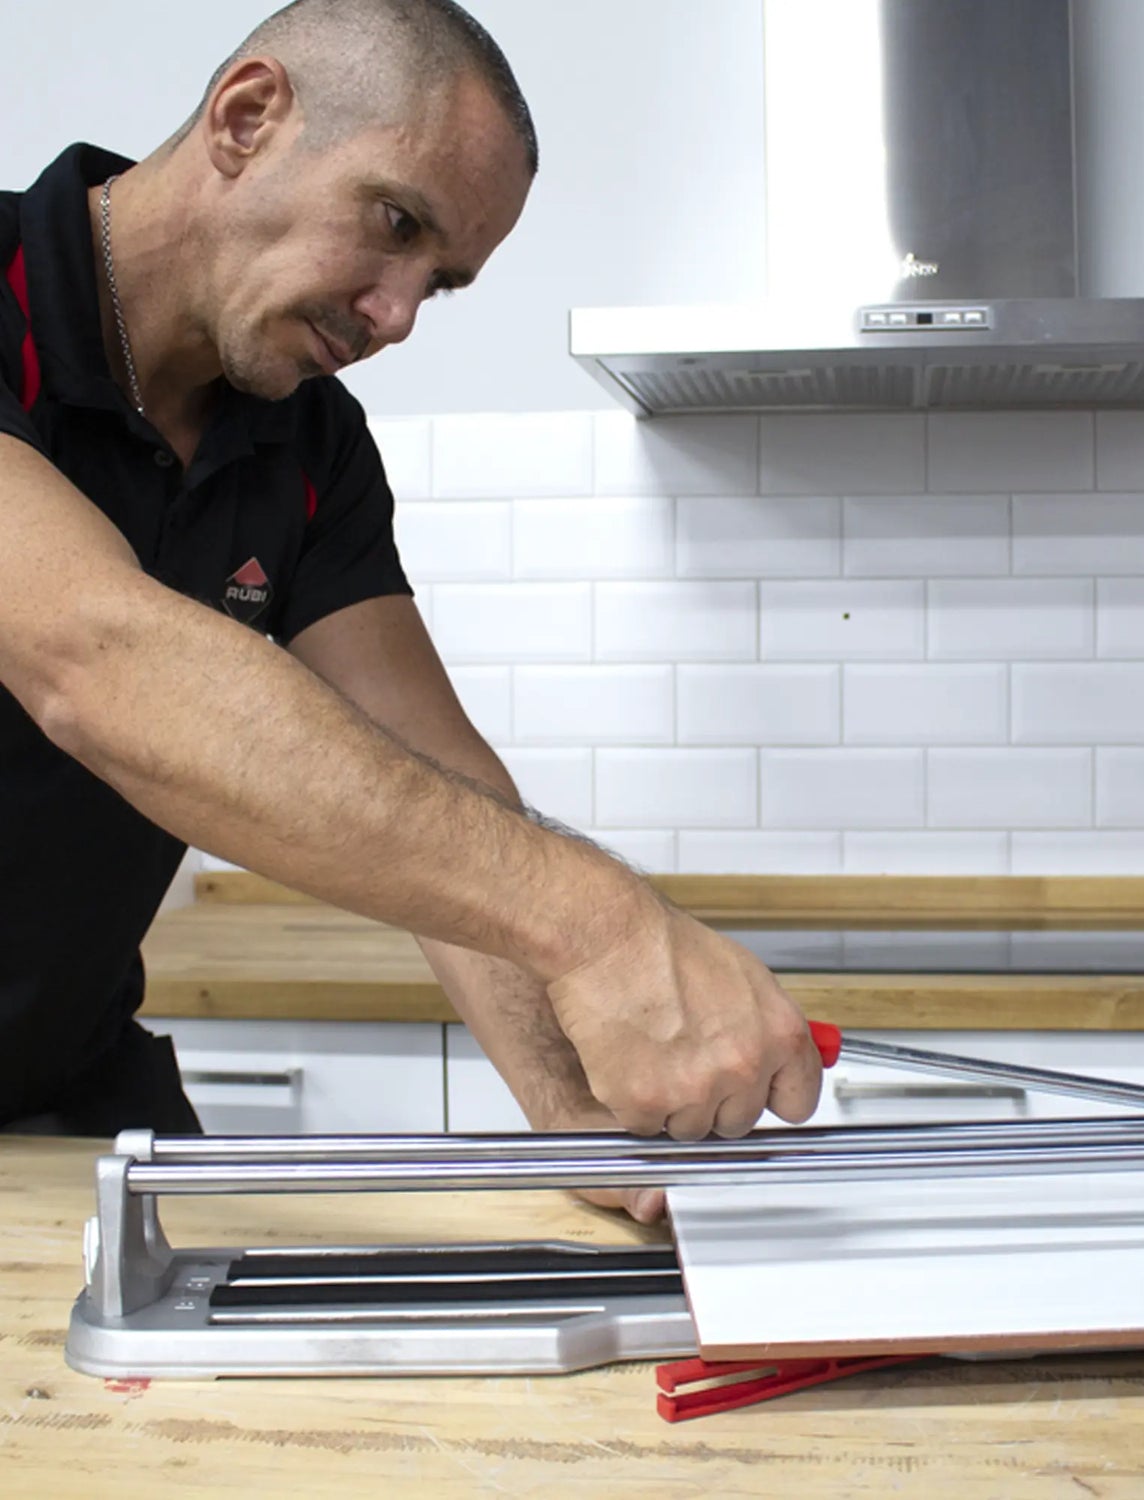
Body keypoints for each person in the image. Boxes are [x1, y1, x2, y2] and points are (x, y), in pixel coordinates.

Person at [0, 0, 822, 1220]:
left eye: (439, 282)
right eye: (395, 224)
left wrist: (574, 1117)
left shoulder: (309, 441)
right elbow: (97, 658)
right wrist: (599, 925)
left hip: (64, 1086)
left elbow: (438, 774)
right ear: (247, 117)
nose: (394, 315)